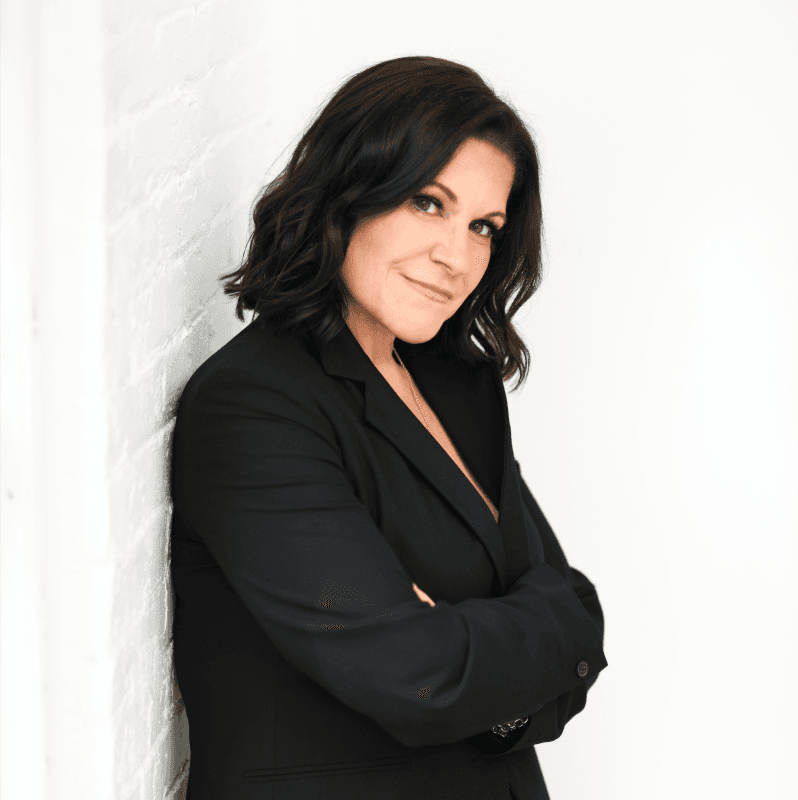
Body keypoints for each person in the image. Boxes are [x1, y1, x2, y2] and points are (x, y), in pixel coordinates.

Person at [170, 56, 607, 800]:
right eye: (428, 203)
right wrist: (507, 647)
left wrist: (486, 679)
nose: (457, 256)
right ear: (347, 191)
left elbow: (576, 616)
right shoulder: (253, 406)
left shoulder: (456, 384)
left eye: (483, 227)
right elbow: (420, 675)